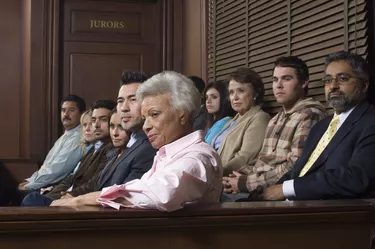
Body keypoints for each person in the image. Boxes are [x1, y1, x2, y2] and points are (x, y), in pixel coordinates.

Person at [50, 71, 223, 212]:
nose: (146, 126)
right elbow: (138, 187)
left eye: (154, 115)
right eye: (145, 117)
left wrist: (89, 198)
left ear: (182, 114)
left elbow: (160, 193)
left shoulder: (198, 157)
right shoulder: (167, 154)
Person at [252, 51, 375, 201]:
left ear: (364, 85)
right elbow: (298, 170)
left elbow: (357, 177)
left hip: (328, 213)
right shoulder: (321, 126)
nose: (333, 86)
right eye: (328, 80)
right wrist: (268, 193)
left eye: (343, 78)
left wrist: (286, 189)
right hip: (290, 204)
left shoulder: (370, 121)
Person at [222, 56, 327, 201]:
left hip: (278, 194)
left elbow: (295, 167)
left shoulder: (310, 114)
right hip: (256, 187)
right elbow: (261, 160)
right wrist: (234, 177)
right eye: (275, 80)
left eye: (286, 79)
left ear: (304, 83)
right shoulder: (275, 119)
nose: (279, 85)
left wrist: (244, 182)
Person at [21, 100, 116, 205]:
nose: (96, 125)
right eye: (93, 120)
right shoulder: (94, 148)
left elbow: (96, 182)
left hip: (79, 201)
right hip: (65, 196)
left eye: (103, 120)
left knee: (31, 199)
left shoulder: (111, 148)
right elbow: (71, 178)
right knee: (31, 197)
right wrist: (54, 195)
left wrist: (71, 195)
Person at [18, 95, 86, 191]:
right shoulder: (65, 136)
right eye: (63, 110)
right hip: (44, 184)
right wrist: (31, 180)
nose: (66, 114)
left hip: (57, 189)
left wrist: (31, 185)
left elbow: (58, 170)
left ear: (82, 114)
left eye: (71, 110)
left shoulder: (78, 138)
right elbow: (46, 166)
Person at [211, 68, 270, 176]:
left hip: (228, 179)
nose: (235, 97)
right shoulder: (232, 120)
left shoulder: (260, 117)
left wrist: (216, 173)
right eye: (231, 92)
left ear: (255, 93)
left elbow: (246, 157)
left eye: (241, 91)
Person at [204, 80, 235, 145]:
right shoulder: (212, 123)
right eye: (206, 98)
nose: (208, 101)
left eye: (214, 97)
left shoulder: (224, 122)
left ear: (225, 99)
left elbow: (206, 147)